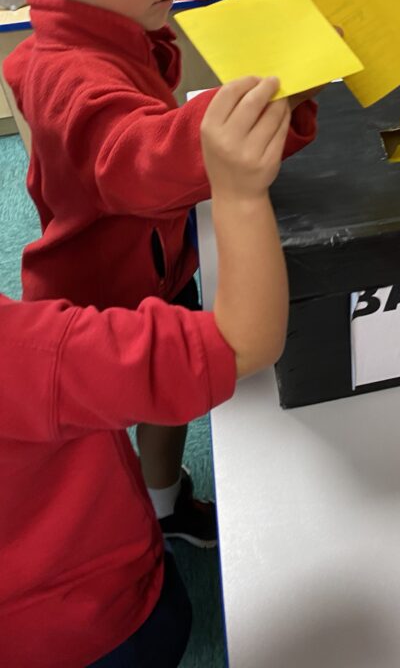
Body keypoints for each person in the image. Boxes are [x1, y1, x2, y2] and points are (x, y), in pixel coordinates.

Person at [2, 0, 318, 547]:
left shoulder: (111, 30)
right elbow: (135, 157)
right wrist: (232, 124)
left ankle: (166, 505)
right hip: (95, 287)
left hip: (155, 259)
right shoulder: (68, 72)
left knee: (168, 403)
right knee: (97, 441)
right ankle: (128, 527)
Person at [0, 75, 290, 667]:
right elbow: (245, 342)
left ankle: (168, 501)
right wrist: (237, 193)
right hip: (106, 622)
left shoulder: (32, 61)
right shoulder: (29, 359)